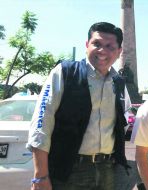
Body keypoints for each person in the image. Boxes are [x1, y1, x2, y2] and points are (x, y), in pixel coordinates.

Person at [27, 22, 131, 190]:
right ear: (86, 45)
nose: (102, 51)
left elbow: (123, 122)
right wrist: (40, 175)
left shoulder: (118, 83)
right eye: (96, 44)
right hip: (69, 169)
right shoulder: (65, 72)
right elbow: (41, 124)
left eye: (110, 46)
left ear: (119, 52)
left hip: (107, 170)